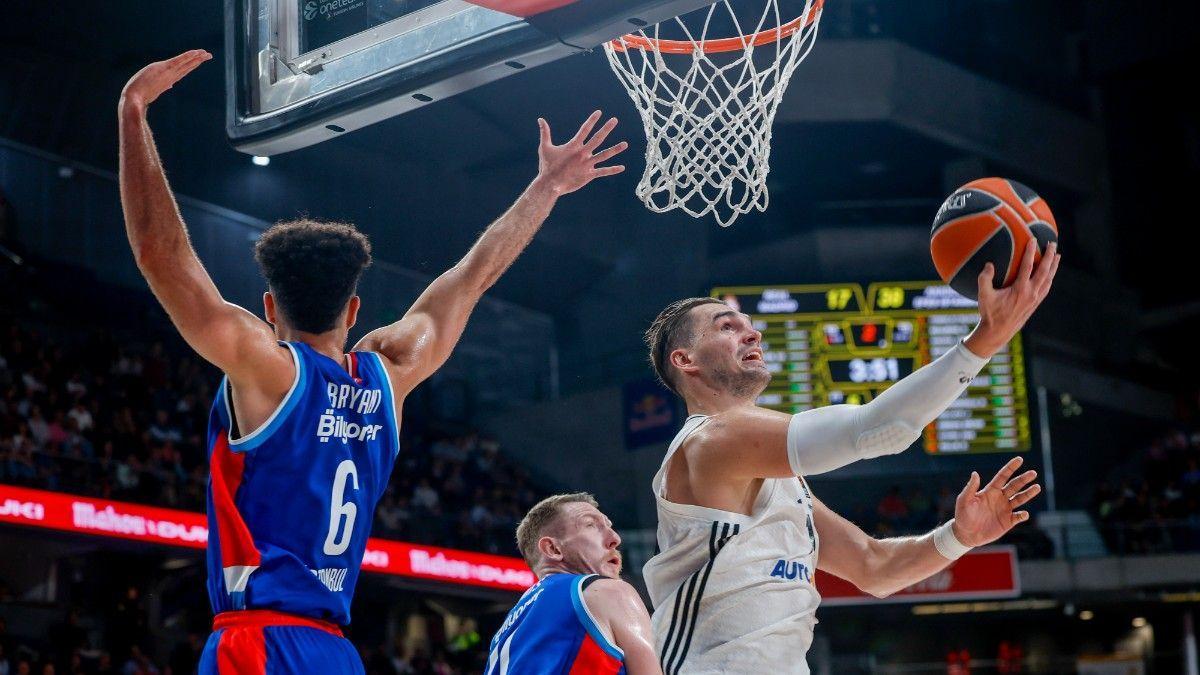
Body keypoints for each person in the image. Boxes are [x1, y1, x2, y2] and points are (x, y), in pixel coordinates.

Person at [117, 50, 627, 674]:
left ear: (269, 305)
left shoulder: (268, 370)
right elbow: (471, 279)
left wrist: (133, 114)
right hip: (335, 650)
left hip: (257, 641)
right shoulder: (389, 374)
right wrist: (547, 186)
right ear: (355, 309)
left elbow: (161, 255)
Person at [641, 242, 1059, 673]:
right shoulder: (713, 438)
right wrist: (986, 339)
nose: (753, 334)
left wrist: (959, 536)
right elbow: (879, 429)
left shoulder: (780, 482)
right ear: (684, 360)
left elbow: (874, 567)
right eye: (727, 327)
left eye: (749, 325)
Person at [487, 493, 660, 674]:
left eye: (609, 526)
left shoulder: (501, 639)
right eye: (591, 525)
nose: (615, 538)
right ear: (553, 549)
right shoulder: (607, 591)